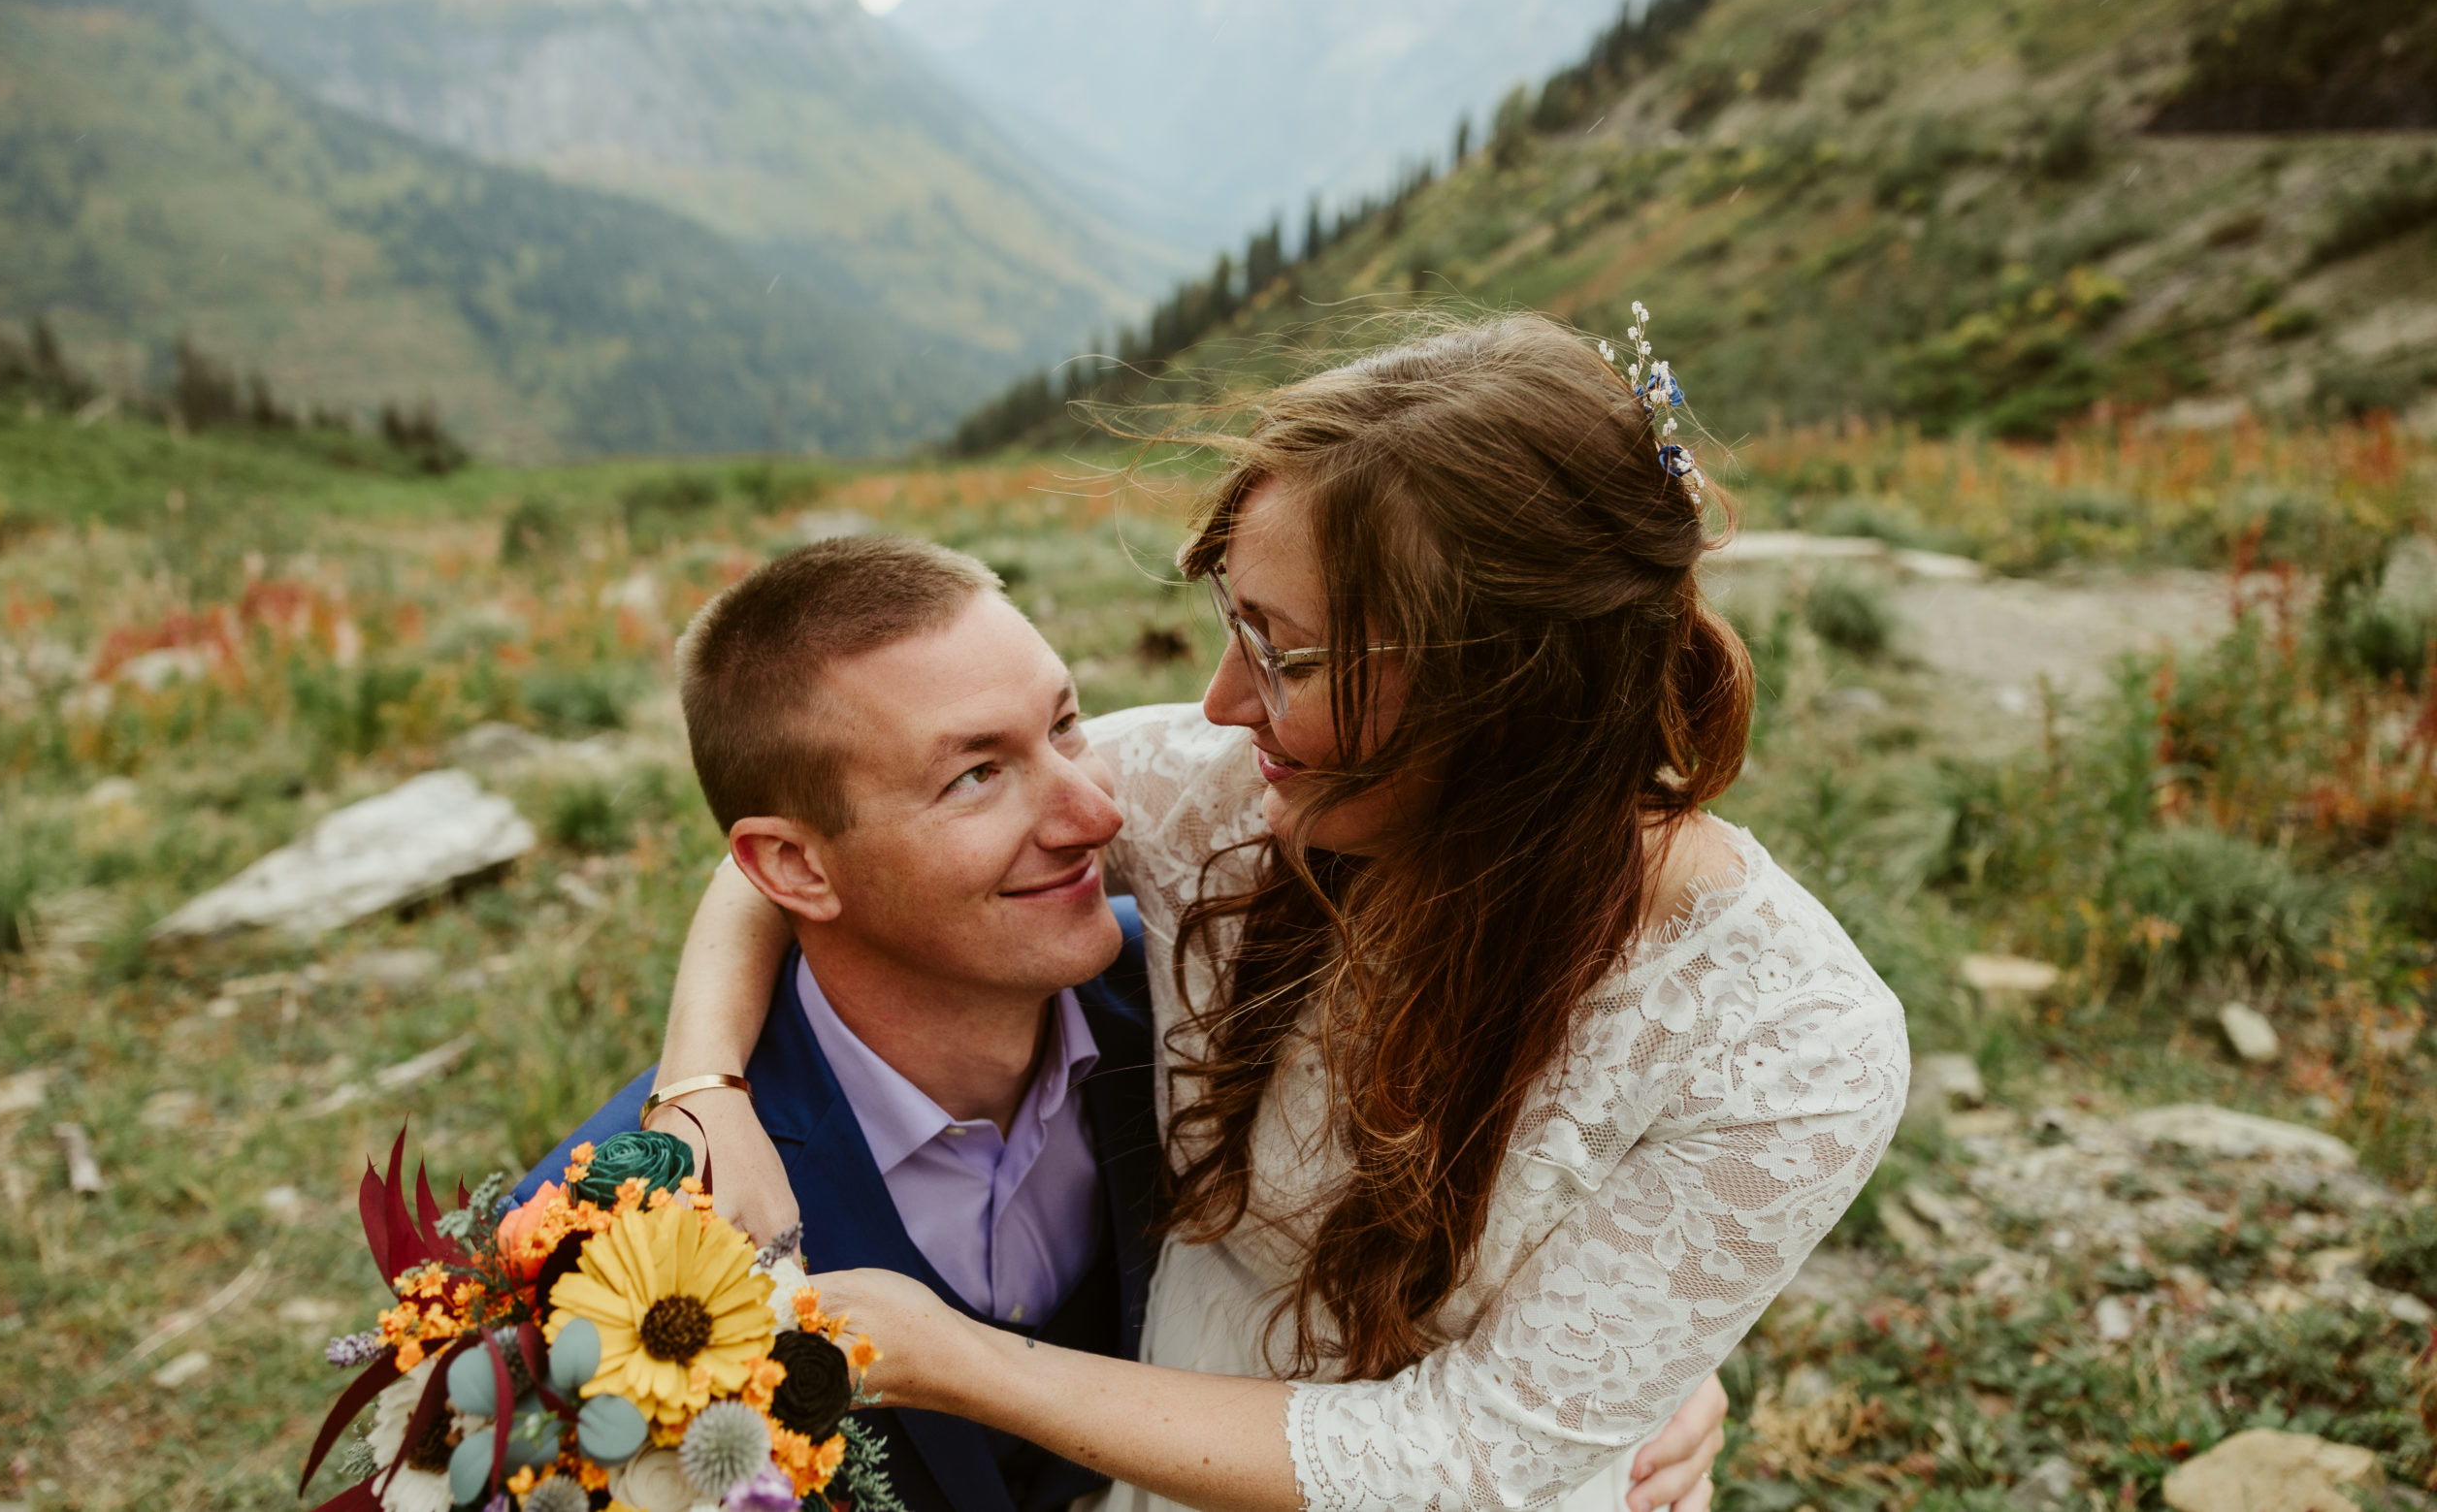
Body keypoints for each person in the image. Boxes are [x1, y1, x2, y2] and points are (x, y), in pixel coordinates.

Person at [650, 313, 1907, 1512]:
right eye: (1232, 621)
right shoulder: (1226, 798)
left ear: (1508, 686)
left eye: (1287, 655)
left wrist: (950, 1357)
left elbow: (1478, 1457)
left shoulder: (1794, 1038)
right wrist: (702, 1080)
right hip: (1167, 1445)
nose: (1218, 702)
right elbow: (815, 839)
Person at [514, 531, 1726, 1511]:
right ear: (797, 867)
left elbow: (1477, 1192)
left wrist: (1640, 1374)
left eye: (1066, 723)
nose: (1097, 811)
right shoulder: (617, 1239)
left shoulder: (1219, 991)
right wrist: (703, 1084)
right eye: (976, 775)